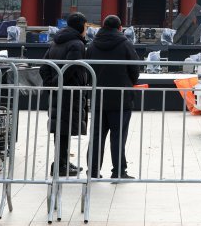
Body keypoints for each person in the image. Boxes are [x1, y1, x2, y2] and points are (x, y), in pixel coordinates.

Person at [85, 14, 140, 179]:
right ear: (120, 28)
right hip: (121, 98)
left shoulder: (93, 45)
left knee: (96, 136)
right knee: (118, 136)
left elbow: (87, 71)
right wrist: (128, 83)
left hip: (98, 97)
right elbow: (134, 70)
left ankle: (93, 171)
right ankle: (118, 171)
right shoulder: (125, 44)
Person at [41, 12, 90, 176]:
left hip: (58, 92)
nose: (87, 29)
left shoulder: (56, 42)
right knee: (65, 128)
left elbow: (44, 66)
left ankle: (62, 161)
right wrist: (58, 83)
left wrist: (50, 84)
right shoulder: (76, 44)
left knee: (61, 128)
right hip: (71, 92)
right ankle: (60, 165)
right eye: (86, 26)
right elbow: (71, 68)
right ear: (81, 26)